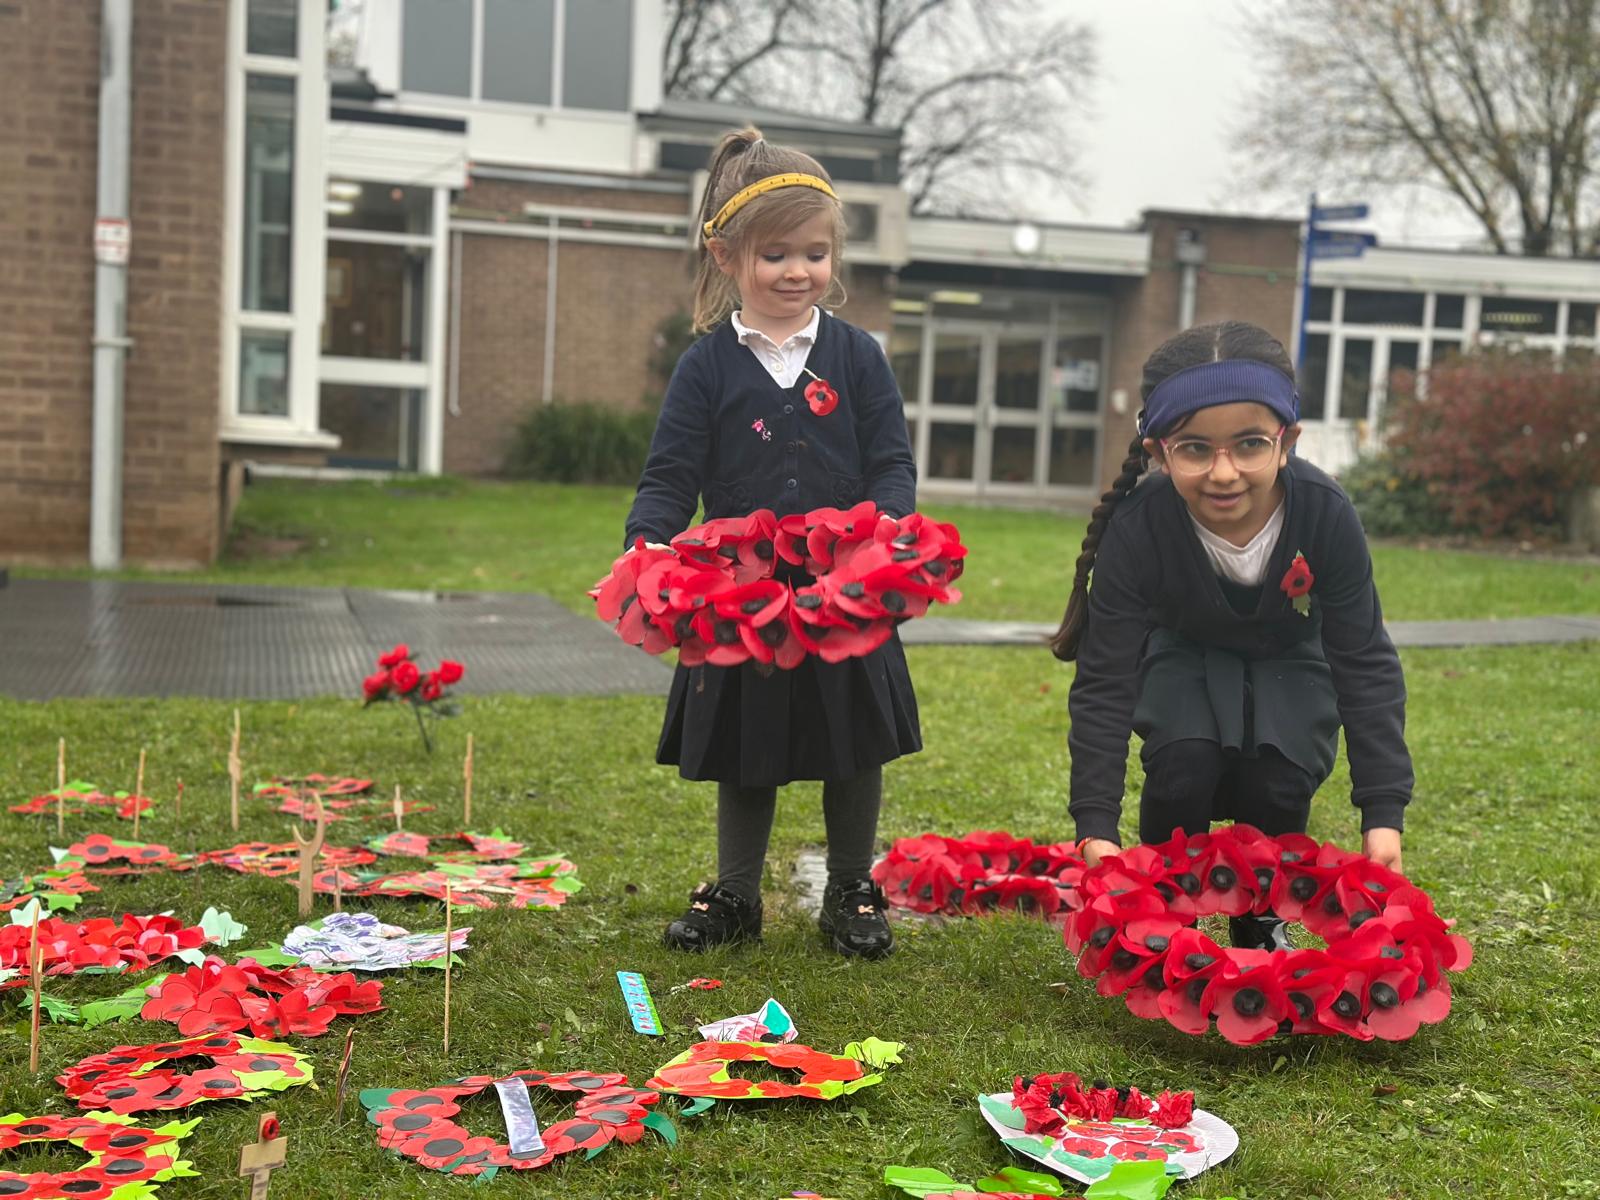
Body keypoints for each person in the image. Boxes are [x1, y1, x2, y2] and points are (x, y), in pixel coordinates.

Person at [623, 128, 920, 959]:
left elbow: (893, 463)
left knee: (854, 739)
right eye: (776, 254)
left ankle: (852, 891)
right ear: (726, 256)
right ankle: (737, 893)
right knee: (745, 743)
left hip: (845, 590)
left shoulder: (858, 357)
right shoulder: (706, 368)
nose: (798, 271)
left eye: (816, 254)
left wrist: (888, 524)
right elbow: (668, 477)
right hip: (740, 598)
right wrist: (648, 545)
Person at [1053, 320, 1411, 951]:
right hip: (1182, 650)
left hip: (1288, 655)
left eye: (1249, 444)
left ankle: (1261, 913)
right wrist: (1095, 826)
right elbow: (1107, 680)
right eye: (1195, 449)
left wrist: (1383, 816)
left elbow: (1363, 660)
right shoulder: (1139, 530)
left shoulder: (1326, 515)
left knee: (1276, 772)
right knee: (1185, 762)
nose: (1224, 473)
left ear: (1287, 440)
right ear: (1160, 451)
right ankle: (1168, 903)